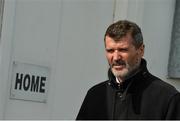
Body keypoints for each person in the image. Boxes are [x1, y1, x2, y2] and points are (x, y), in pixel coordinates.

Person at [76, 20, 180, 120]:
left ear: (141, 50)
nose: (116, 57)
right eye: (110, 50)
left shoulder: (167, 97)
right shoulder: (95, 95)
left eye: (123, 50)